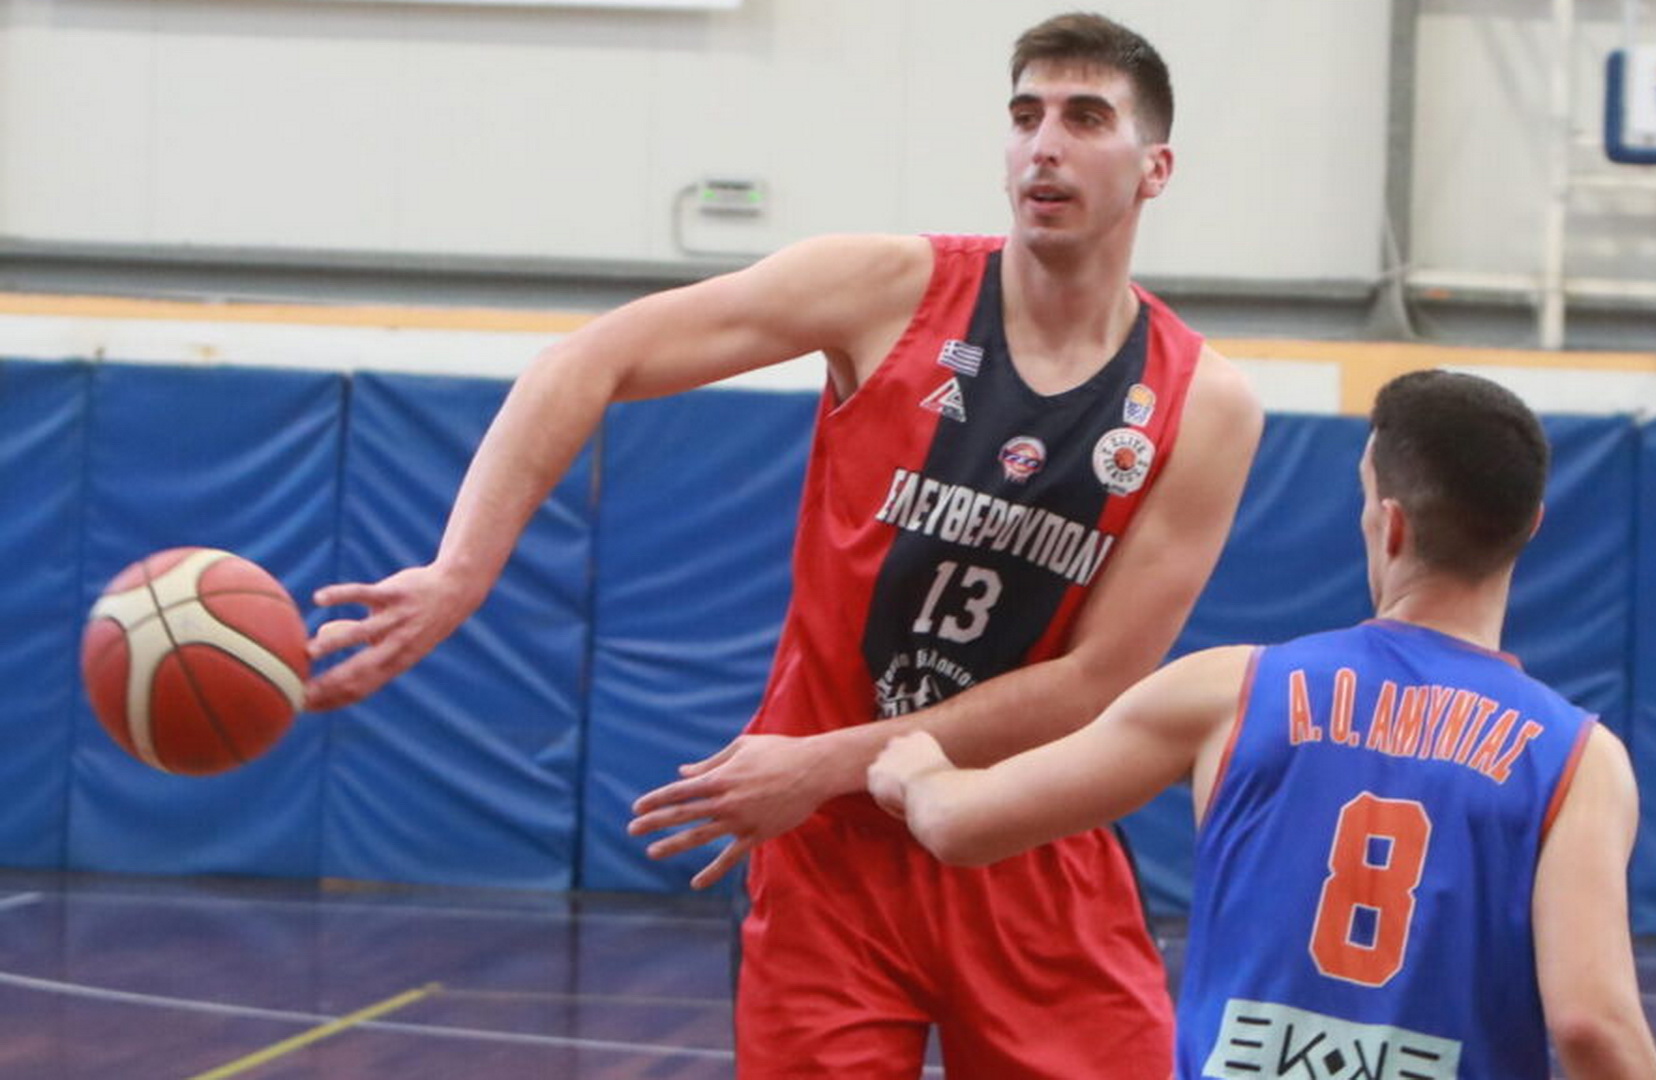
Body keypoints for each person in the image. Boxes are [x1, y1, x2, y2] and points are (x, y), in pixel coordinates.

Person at [304, 12, 1262, 1079]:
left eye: (1085, 119)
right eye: (1025, 115)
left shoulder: (1203, 404)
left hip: (1023, 837)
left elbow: (1095, 685)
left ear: (1154, 168)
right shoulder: (887, 289)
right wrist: (458, 572)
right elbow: (589, 358)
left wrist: (822, 763)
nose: (1045, 145)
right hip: (830, 867)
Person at [869, 370, 1656, 1080]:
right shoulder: (1577, 759)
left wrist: (918, 770)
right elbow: (1590, 1024)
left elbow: (964, 826)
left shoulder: (1231, 691)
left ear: (1389, 524)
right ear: (1531, 525)